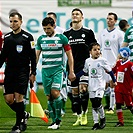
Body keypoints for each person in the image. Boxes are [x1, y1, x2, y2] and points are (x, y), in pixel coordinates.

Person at [36, 17, 75, 130]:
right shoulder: (41, 39)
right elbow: (37, 56)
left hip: (58, 70)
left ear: (53, 26)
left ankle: (58, 120)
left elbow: (70, 56)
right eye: (44, 29)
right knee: (49, 97)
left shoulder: (62, 38)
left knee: (55, 93)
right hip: (45, 71)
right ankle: (53, 122)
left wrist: (71, 71)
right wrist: (32, 70)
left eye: (48, 28)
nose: (46, 31)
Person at [0, 12, 36, 133]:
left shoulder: (28, 37)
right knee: (9, 99)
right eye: (11, 21)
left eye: (15, 21)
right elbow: (3, 55)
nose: (13, 23)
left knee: (19, 98)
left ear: (21, 22)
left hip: (23, 71)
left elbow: (33, 57)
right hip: (9, 71)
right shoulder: (7, 37)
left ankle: (17, 126)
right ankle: (24, 114)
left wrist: (33, 73)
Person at [63, 8, 97, 126]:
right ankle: (78, 116)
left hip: (84, 66)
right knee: (75, 93)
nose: (74, 16)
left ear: (82, 17)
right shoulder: (66, 34)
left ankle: (84, 113)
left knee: (83, 89)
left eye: (77, 14)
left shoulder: (88, 32)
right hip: (72, 67)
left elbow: (94, 47)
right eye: (73, 14)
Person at [76, 42, 116, 130]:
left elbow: (110, 71)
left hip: (100, 85)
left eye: (98, 49)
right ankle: (95, 123)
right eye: (95, 50)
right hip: (91, 86)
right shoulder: (88, 61)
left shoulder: (102, 60)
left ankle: (102, 118)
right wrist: (75, 76)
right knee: (94, 104)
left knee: (97, 102)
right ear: (90, 51)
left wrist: (114, 81)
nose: (97, 51)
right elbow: (84, 71)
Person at [98, 12, 124, 114]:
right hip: (104, 63)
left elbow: (121, 49)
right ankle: (105, 104)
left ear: (115, 21)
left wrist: (118, 61)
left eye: (111, 19)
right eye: (107, 19)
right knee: (104, 85)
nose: (108, 21)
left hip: (114, 63)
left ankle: (111, 107)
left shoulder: (119, 34)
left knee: (113, 85)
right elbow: (99, 47)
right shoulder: (102, 33)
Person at [112, 47, 133, 127]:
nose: (119, 54)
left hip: (126, 89)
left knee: (130, 106)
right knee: (118, 104)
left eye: (120, 53)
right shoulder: (118, 63)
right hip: (118, 88)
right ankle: (120, 122)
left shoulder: (130, 65)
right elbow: (113, 70)